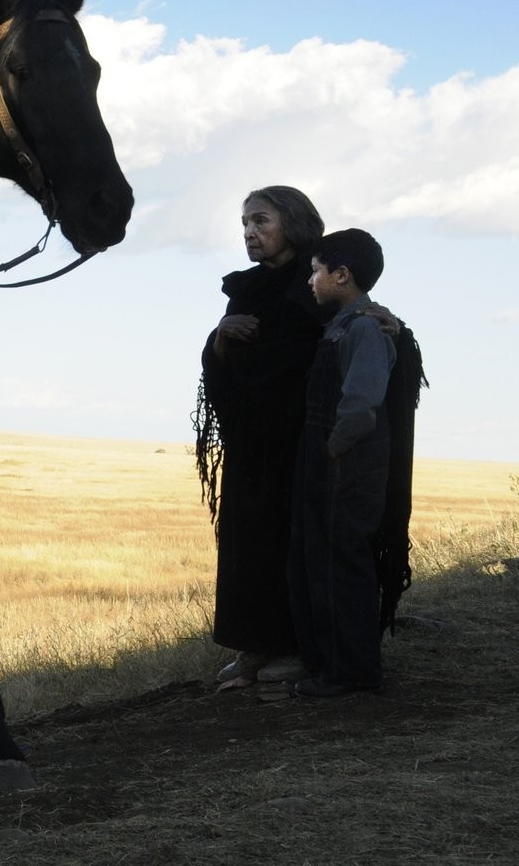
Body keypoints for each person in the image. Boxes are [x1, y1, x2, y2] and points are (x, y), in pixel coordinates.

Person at [193, 186, 330, 687]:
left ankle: (293, 646)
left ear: (291, 223)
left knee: (289, 541)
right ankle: (252, 646)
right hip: (252, 441)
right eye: (245, 224)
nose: (250, 232)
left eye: (261, 221)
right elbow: (221, 364)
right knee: (246, 542)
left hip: (299, 441)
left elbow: (325, 349)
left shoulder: (317, 283)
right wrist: (221, 337)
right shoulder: (246, 290)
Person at [289, 229, 418, 699]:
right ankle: (338, 668)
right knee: (330, 563)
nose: (310, 281)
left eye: (316, 271)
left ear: (342, 275)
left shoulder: (364, 327)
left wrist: (334, 450)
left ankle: (352, 674)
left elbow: (361, 403)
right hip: (338, 464)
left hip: (349, 467)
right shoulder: (347, 323)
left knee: (344, 566)